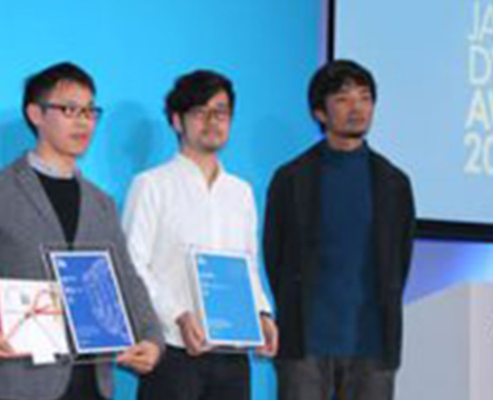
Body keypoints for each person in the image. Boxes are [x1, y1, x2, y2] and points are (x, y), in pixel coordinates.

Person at [0, 62, 163, 400]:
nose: (83, 122)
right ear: (36, 114)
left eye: (90, 112)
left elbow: (127, 280)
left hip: (94, 383)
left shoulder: (102, 203)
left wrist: (151, 338)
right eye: (70, 110)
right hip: (22, 380)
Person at [263, 59, 416, 400]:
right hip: (305, 344)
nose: (357, 108)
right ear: (320, 112)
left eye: (365, 97)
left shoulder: (394, 183)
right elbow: (275, 254)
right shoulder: (291, 178)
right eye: (343, 99)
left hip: (373, 344)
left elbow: (399, 260)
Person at [122, 70, 278, 400]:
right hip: (174, 349)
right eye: (200, 112)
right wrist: (176, 314)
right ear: (177, 121)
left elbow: (248, 267)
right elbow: (131, 265)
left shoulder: (241, 192)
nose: (212, 121)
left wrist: (262, 314)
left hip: (232, 351)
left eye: (221, 112)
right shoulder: (151, 185)